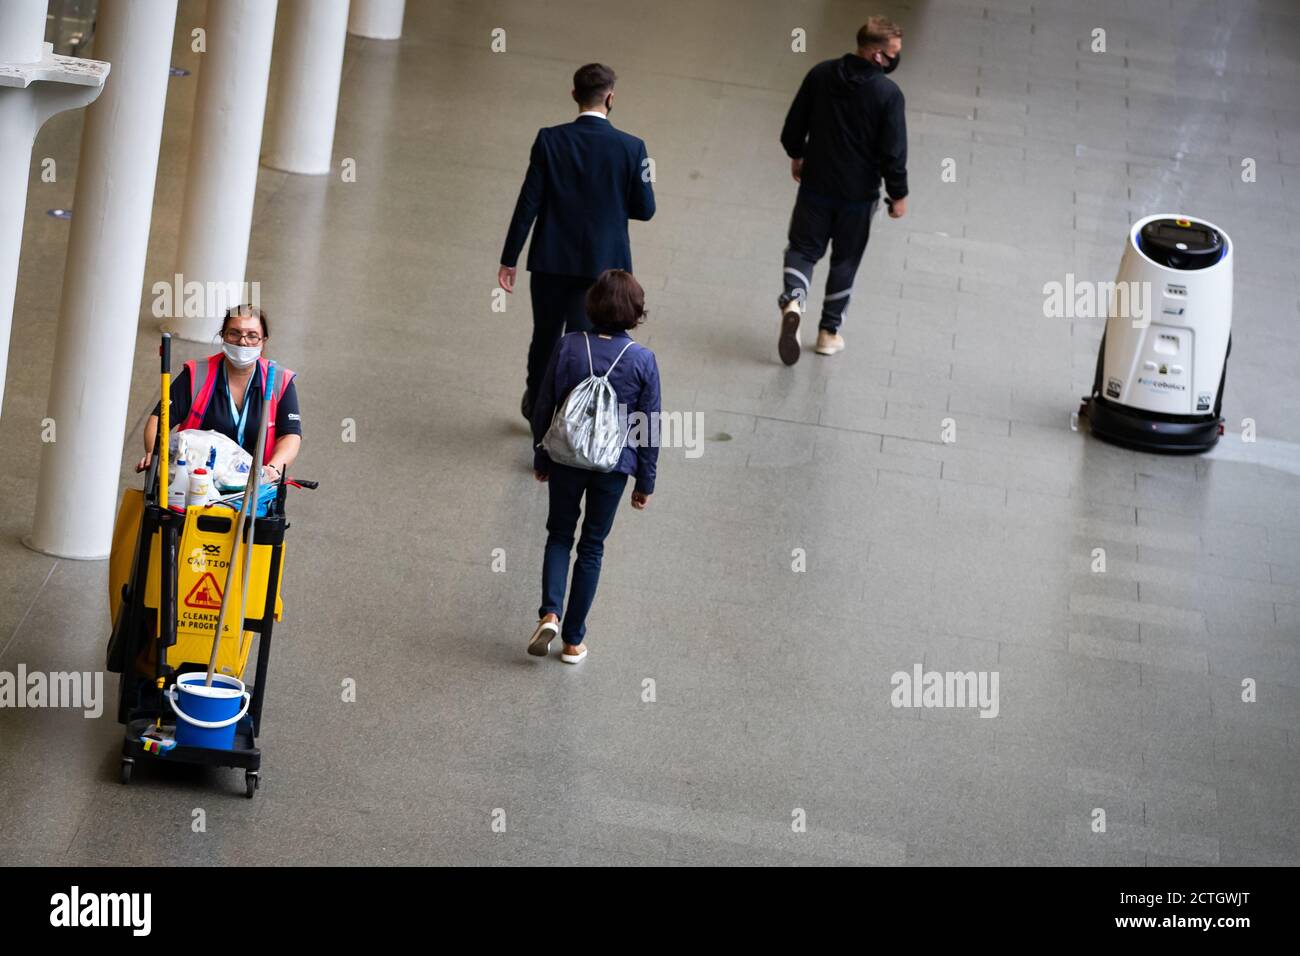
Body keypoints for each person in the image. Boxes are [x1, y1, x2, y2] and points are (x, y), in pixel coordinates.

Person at [498, 63, 656, 422]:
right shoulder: (633, 148)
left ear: (574, 96)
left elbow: (528, 204)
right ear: (611, 97)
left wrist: (509, 258)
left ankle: (537, 404)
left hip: (550, 261)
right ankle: (570, 414)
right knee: (585, 342)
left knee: (545, 337)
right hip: (602, 268)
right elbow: (646, 209)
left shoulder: (549, 139)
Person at [527, 270, 660, 664]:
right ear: (636, 313)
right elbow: (648, 426)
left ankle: (550, 612)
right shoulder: (642, 360)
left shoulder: (569, 346)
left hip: (566, 458)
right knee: (591, 547)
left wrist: (542, 456)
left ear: (592, 305)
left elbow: (543, 407)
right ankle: (572, 641)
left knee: (558, 535)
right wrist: (644, 481)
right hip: (613, 466)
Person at [776, 16, 909, 365]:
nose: (897, 58)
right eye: (894, 52)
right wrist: (898, 195)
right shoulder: (888, 94)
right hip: (858, 196)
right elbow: (893, 152)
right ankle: (828, 333)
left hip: (815, 185)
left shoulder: (821, 74)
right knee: (845, 260)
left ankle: (793, 298)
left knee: (803, 249)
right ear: (878, 55)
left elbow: (793, 127)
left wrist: (798, 155)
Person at [137, 305, 301, 480]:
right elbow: (159, 420)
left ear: (263, 341)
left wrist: (272, 469)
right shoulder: (197, 374)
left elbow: (289, 436)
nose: (243, 341)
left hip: (254, 491)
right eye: (234, 333)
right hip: (195, 483)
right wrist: (154, 453)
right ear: (223, 335)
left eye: (252, 335)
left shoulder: (279, 380)